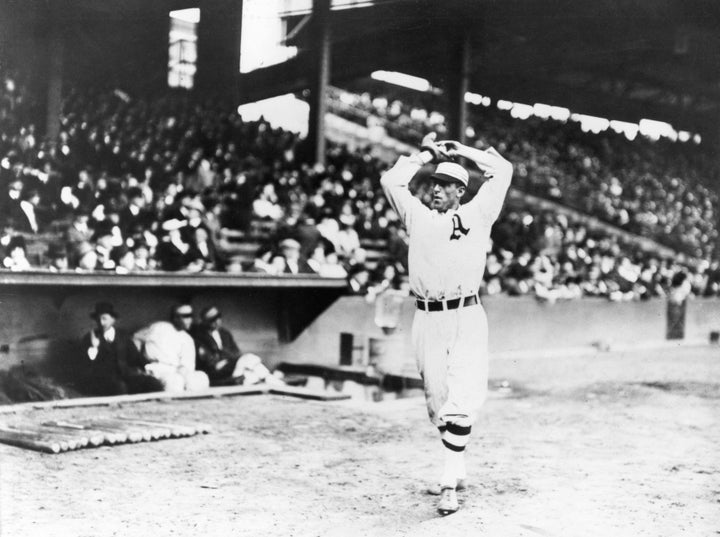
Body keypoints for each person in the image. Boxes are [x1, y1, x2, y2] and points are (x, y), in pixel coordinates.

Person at [380, 132, 513, 515]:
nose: (437, 189)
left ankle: (448, 481)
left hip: (466, 315)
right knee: (437, 403)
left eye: (447, 185)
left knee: (462, 399)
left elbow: (502, 170)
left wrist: (462, 152)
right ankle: (457, 464)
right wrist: (426, 155)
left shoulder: (479, 213)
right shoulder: (416, 216)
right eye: (434, 183)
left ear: (461, 191)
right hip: (427, 318)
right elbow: (392, 180)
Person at [80, 302, 163, 396]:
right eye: (98, 319)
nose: (101, 322)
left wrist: (147, 366)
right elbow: (86, 364)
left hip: (125, 375)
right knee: (120, 387)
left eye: (104, 318)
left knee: (154, 384)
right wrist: (94, 347)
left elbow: (135, 356)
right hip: (102, 379)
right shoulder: (89, 338)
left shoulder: (123, 336)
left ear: (113, 319)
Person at [190, 306, 283, 386]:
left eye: (218, 317)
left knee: (250, 375)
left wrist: (229, 359)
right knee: (249, 358)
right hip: (216, 369)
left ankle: (266, 378)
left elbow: (235, 351)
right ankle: (270, 378)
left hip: (231, 365)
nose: (217, 321)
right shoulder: (198, 336)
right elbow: (204, 357)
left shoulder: (225, 333)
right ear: (204, 321)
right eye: (212, 320)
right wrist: (216, 363)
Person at [133, 303, 210, 392]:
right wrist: (137, 362)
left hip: (176, 371)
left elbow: (186, 366)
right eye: (186, 316)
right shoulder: (159, 327)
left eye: (191, 316)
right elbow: (136, 337)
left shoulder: (187, 339)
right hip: (155, 369)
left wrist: (183, 375)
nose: (190, 320)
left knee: (201, 379)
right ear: (175, 318)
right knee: (174, 382)